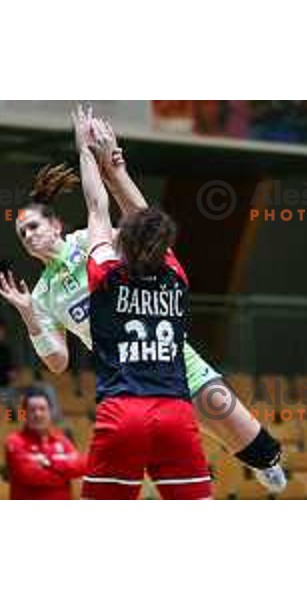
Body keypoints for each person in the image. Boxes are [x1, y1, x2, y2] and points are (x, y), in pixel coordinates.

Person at [0, 107, 286, 493]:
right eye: (21, 234)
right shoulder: (43, 294)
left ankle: (264, 460)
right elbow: (58, 363)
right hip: (129, 377)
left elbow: (143, 224)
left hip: (176, 359)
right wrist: (31, 317)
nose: (29, 236)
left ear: (56, 224)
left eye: (33, 225)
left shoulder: (91, 241)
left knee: (252, 441)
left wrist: (110, 171)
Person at [75, 109, 211, 499]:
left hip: (123, 413)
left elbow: (96, 208)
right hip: (176, 413)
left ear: (122, 244)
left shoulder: (104, 272)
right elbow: (144, 219)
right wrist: (116, 167)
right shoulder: (175, 274)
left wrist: (85, 151)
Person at [5, 388, 86, 499]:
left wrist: (49, 463)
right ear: (24, 414)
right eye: (32, 410)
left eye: (42, 409)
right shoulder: (14, 441)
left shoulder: (62, 441)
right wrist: (64, 473)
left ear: (50, 412)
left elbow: (81, 466)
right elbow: (28, 475)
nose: (38, 414)